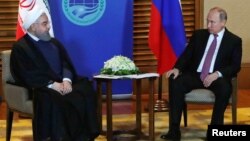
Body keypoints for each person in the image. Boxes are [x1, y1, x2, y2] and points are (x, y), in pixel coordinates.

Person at [10, 5, 100, 141]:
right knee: (53, 98)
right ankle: (60, 137)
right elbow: (24, 73)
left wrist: (66, 80)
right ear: (33, 27)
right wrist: (51, 84)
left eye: (48, 23)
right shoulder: (21, 48)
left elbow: (66, 63)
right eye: (45, 24)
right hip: (42, 87)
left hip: (62, 83)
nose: (48, 27)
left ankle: (84, 136)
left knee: (85, 88)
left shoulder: (54, 42)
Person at [161, 7, 242, 141]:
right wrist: (177, 68)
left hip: (215, 78)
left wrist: (217, 74)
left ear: (223, 22)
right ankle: (174, 131)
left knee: (225, 88)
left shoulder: (234, 41)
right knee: (175, 80)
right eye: (207, 21)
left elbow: (235, 66)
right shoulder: (199, 35)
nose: (208, 25)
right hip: (195, 75)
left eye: (212, 22)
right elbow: (187, 55)